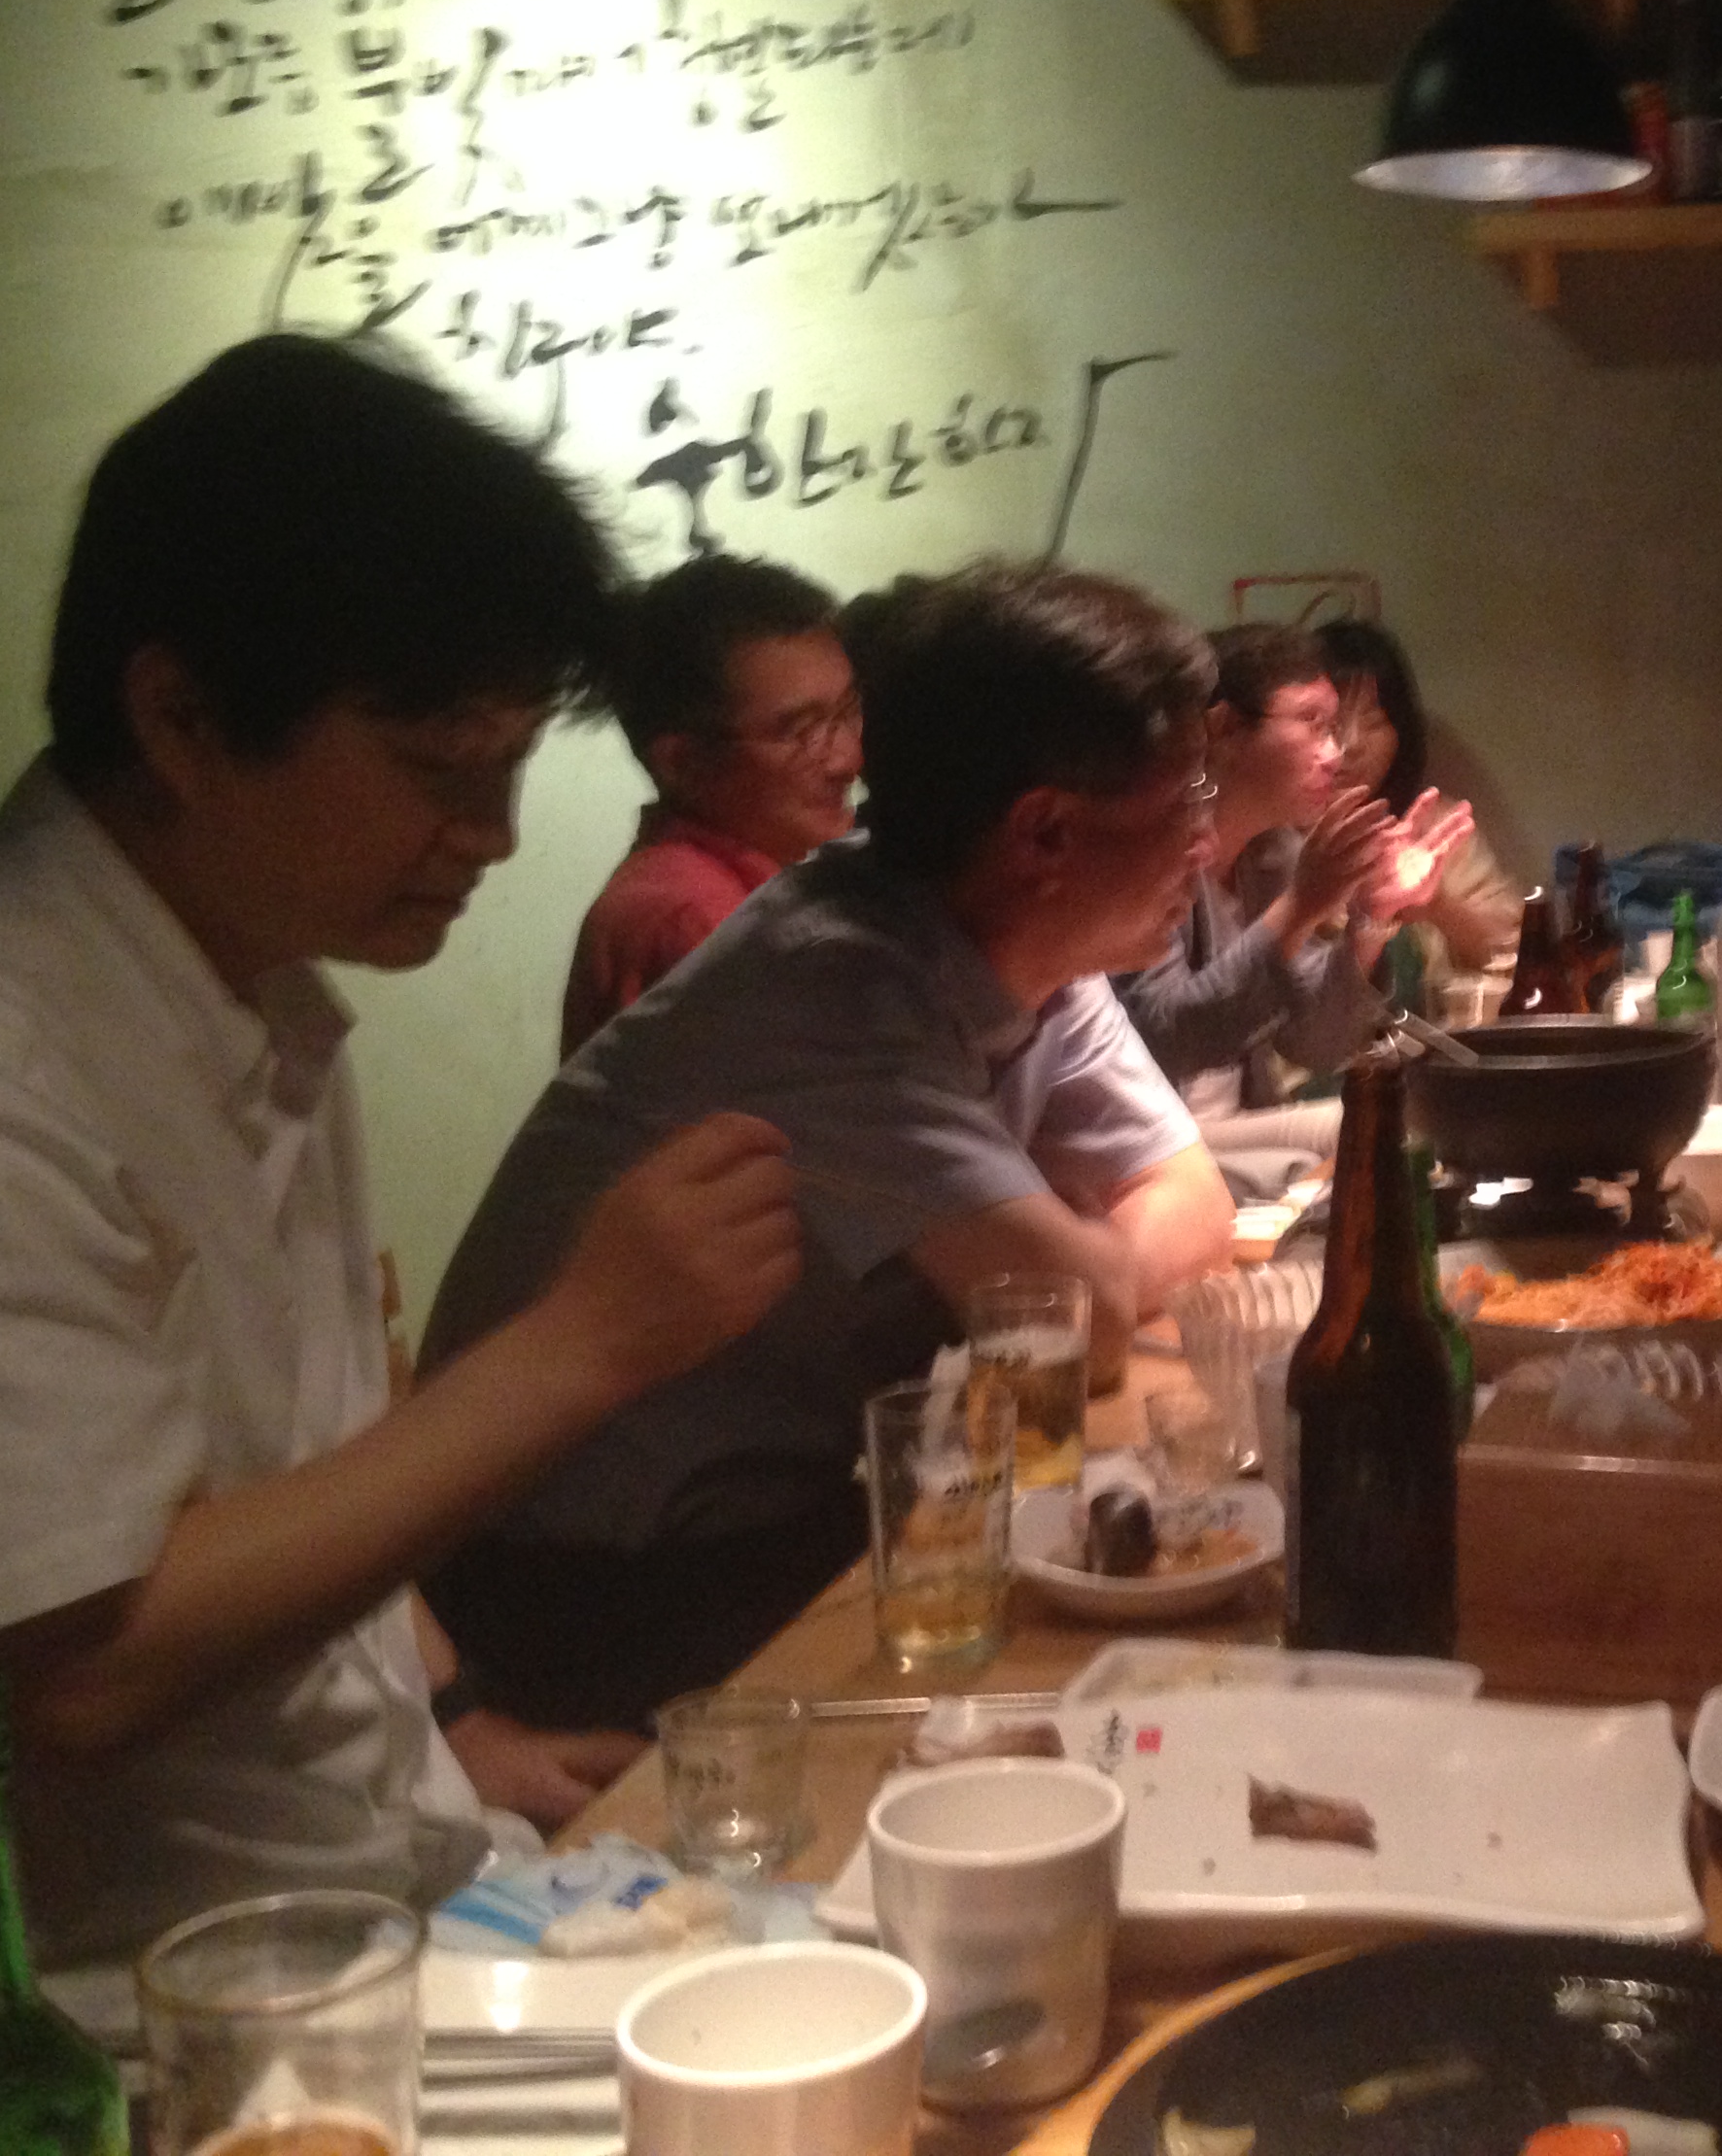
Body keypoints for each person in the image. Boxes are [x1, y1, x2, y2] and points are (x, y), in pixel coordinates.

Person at [0, 334, 802, 1965]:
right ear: (180, 716)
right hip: (159, 1993)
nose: (493, 833)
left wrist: (460, 1717)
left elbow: (308, 1476)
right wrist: (587, 1339)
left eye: (511, 766)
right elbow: (85, 1664)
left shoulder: (258, 990)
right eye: (442, 770)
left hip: (391, 1869)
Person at [419, 561, 1237, 1730]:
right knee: (1103, 1694)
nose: (1207, 842)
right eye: (1187, 802)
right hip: (601, 1585)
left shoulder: (1030, 944)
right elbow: (1083, 1320)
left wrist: (1081, 1269)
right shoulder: (827, 987)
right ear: (1046, 832)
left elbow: (1190, 1199)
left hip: (798, 1506)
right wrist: (1086, 1266)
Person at [1115, 625, 1466, 1119]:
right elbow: (1169, 1038)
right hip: (1151, 1134)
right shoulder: (1149, 851)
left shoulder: (1272, 853)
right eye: (1312, 722)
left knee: (1390, 1117)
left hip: (1239, 1126)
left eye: (1331, 729)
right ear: (1224, 727)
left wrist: (1371, 918)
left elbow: (1317, 1043)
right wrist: (1300, 905)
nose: (1335, 754)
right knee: (1369, 1124)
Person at [562, 552, 860, 1056]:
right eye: (801, 731)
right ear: (682, 764)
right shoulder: (694, 918)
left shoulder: (778, 879)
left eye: (848, 712)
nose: (847, 760)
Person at [1316, 618, 1516, 981]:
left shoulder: (1436, 827)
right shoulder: (1275, 839)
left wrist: (1436, 904)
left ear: (1401, 732)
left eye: (1374, 721)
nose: (1352, 744)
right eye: (1333, 724)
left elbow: (1515, 951)